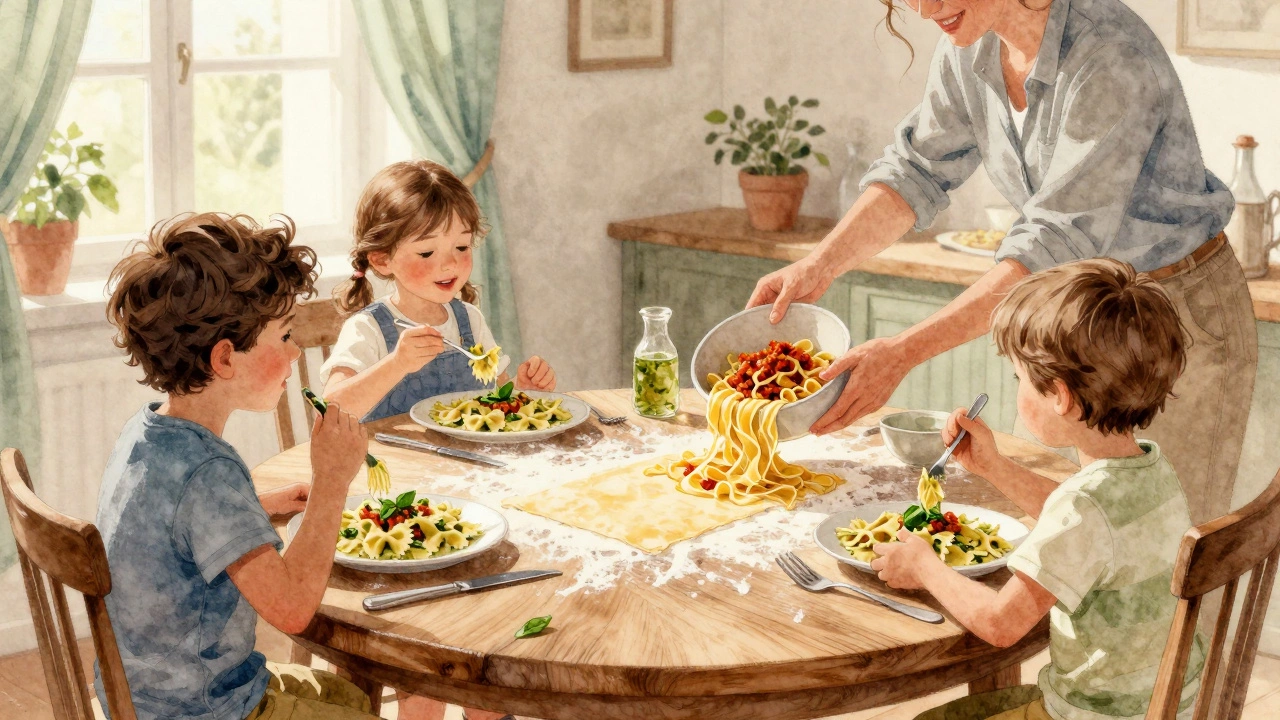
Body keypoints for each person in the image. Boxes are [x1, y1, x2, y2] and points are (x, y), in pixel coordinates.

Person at [747, 0, 1255, 526]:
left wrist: (902, 353)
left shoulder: (1110, 53)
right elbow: (917, 170)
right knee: (1045, 532)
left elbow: (1053, 242)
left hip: (1169, 318)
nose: (925, 9)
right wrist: (818, 265)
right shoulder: (970, 42)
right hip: (1066, 317)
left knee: (1160, 541)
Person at [97, 212, 426, 720]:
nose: (296, 354)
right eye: (285, 336)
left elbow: (175, 524)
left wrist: (258, 506)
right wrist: (331, 481)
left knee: (349, 697)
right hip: (205, 710)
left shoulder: (146, 432)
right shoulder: (209, 472)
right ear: (225, 359)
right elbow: (293, 610)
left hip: (145, 697)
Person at [872, 258, 1203, 720]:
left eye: (1019, 378)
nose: (1016, 389)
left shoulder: (1082, 507)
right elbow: (1086, 528)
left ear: (1060, 396)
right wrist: (993, 467)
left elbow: (1000, 624)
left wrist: (923, 566)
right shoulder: (1152, 470)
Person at [320, 159, 555, 422]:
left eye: (462, 247)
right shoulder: (367, 328)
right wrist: (397, 364)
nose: (450, 264)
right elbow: (331, 409)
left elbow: (497, 396)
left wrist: (523, 390)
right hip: (392, 450)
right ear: (383, 260)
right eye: (426, 252)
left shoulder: (470, 320)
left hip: (465, 450)